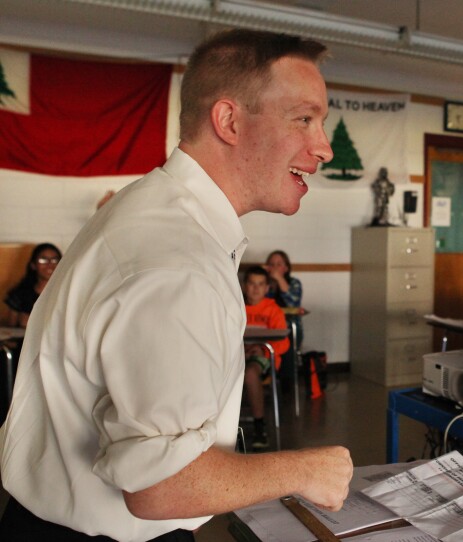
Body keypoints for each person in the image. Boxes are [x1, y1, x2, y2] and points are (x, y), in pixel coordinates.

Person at [0, 29, 352, 541]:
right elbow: (160, 486)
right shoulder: (177, 261)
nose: (322, 148)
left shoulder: (152, 209)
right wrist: (305, 471)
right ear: (229, 120)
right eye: (304, 119)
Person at [242, 266, 290, 450]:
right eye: (252, 284)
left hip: (264, 358)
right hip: (236, 356)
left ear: (267, 288)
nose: (255, 288)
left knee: (250, 374)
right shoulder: (235, 306)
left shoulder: (273, 310)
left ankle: (259, 426)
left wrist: (263, 351)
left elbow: (283, 343)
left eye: (260, 284)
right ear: (245, 286)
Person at [2, 243, 62, 328]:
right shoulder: (20, 295)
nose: (50, 265)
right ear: (33, 265)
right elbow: (11, 330)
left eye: (54, 260)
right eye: (43, 260)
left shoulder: (66, 293)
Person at [265, 249, 304, 346]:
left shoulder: (294, 283)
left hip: (289, 325)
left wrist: (279, 279)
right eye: (271, 264)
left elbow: (293, 304)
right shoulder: (264, 283)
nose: (274, 268)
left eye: (278, 264)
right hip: (267, 325)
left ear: (286, 268)